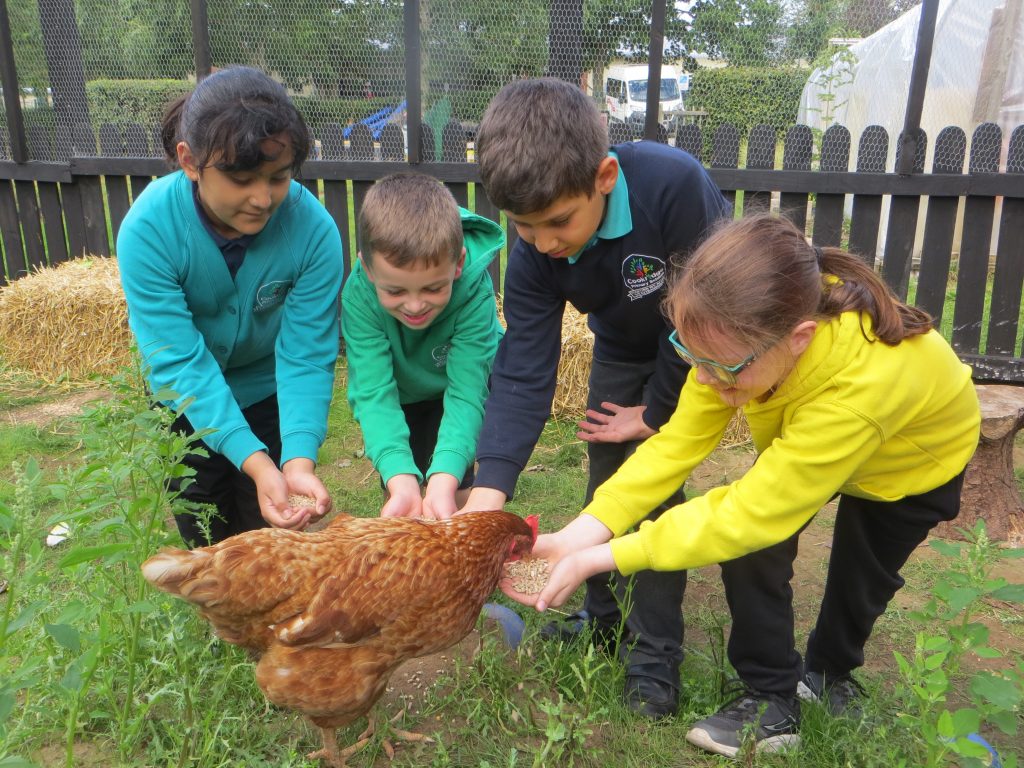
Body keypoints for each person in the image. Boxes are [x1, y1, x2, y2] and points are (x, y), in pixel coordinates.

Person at [501, 213, 981, 756]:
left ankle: (828, 673)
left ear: (799, 339)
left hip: (912, 463)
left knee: (861, 577)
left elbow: (746, 513)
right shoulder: (729, 336)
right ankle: (772, 696)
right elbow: (674, 445)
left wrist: (604, 557)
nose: (702, 379)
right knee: (753, 551)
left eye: (721, 369)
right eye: (689, 355)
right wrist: (581, 533)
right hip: (811, 432)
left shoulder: (858, 387)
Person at [459, 77, 730, 719]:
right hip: (619, 347)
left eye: (557, 222)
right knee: (609, 487)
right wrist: (488, 494)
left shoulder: (674, 185)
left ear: (605, 175)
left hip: (702, 341)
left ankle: (655, 655)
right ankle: (602, 621)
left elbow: (707, 312)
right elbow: (523, 371)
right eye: (523, 227)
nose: (545, 243)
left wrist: (657, 413)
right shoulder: (534, 255)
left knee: (654, 489)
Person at [117, 66, 344, 547]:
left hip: (267, 394)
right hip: (183, 401)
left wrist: (296, 459)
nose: (263, 199)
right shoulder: (149, 231)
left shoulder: (315, 231)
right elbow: (179, 360)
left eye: (279, 177)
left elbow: (306, 353)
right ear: (190, 161)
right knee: (204, 526)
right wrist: (254, 459)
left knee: (268, 538)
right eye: (241, 179)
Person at [342, 172, 504, 520]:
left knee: (454, 485)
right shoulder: (358, 296)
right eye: (396, 291)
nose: (415, 306)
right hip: (401, 393)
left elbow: (467, 392)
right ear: (367, 269)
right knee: (404, 486)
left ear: (458, 264)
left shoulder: (475, 289)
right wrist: (401, 481)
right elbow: (374, 395)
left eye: (432, 289)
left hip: (455, 388)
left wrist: (444, 482)